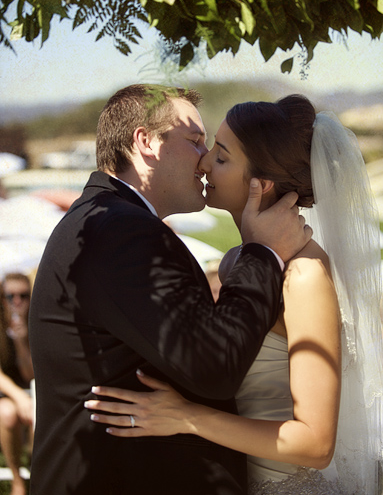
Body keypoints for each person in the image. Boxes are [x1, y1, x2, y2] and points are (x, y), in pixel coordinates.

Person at [84, 96, 383, 495]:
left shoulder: (304, 276)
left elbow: (315, 443)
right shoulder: (236, 263)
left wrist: (187, 417)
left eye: (221, 158)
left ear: (261, 184)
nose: (204, 163)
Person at [29, 84, 311, 495]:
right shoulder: (120, 231)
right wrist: (264, 253)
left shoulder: (107, 222)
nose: (204, 161)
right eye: (195, 141)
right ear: (145, 143)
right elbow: (214, 364)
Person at [0, 273, 34, 495]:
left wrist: (22, 341)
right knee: (7, 413)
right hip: (8, 394)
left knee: (39, 413)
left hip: (32, 391)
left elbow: (30, 373)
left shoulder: (38, 324)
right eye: (10, 296)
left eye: (23, 295)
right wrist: (18, 396)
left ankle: (37, 469)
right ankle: (17, 478)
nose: (17, 301)